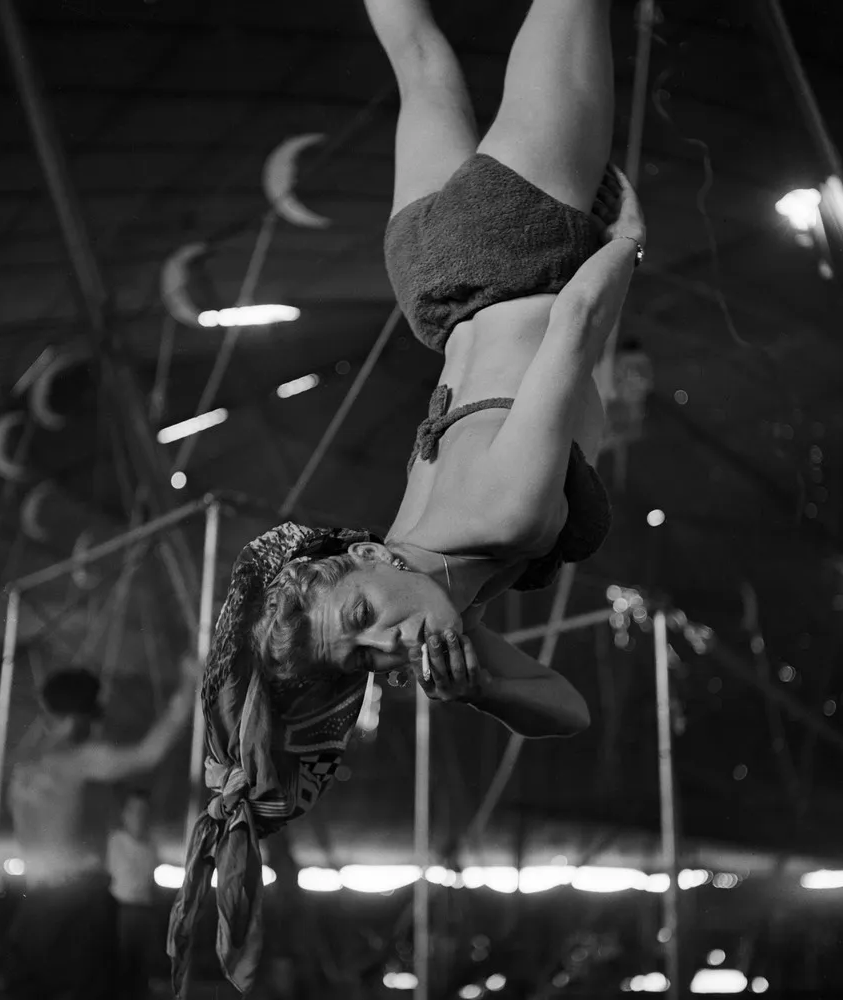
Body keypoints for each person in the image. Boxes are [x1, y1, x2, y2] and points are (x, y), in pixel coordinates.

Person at [168, 1, 644, 993]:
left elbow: (574, 328)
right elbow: (563, 710)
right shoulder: (430, 579)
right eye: (365, 661)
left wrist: (626, 242)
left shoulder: (504, 520)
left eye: (361, 619)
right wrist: (478, 688)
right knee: (417, 54)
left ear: (363, 560)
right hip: (426, 277)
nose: (387, 645)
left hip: (525, 239)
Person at [4, 656, 199, 1000]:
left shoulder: (24, 768)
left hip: (33, 903)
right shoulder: (77, 761)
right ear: (82, 717)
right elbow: (148, 753)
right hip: (79, 904)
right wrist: (189, 685)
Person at [107, 789, 159, 999]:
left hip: (144, 914)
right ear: (125, 814)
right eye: (134, 811)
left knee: (140, 972)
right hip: (121, 912)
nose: (139, 817)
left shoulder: (152, 846)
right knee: (120, 969)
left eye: (143, 811)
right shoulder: (116, 841)